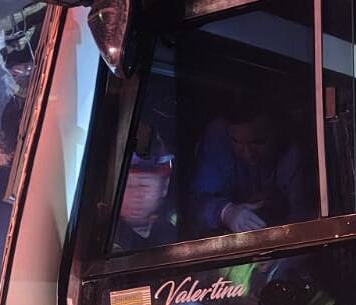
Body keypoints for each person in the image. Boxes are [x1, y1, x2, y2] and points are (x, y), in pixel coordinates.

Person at [189, 98, 316, 238]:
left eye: (258, 142)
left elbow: (303, 219)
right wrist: (225, 212)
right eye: (237, 142)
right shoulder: (218, 138)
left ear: (278, 132)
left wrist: (279, 208)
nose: (248, 154)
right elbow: (197, 202)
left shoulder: (293, 152)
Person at [113, 134, 180, 251]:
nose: (136, 195)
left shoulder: (172, 240)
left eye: (145, 186)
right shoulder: (101, 236)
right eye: (129, 185)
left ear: (164, 187)